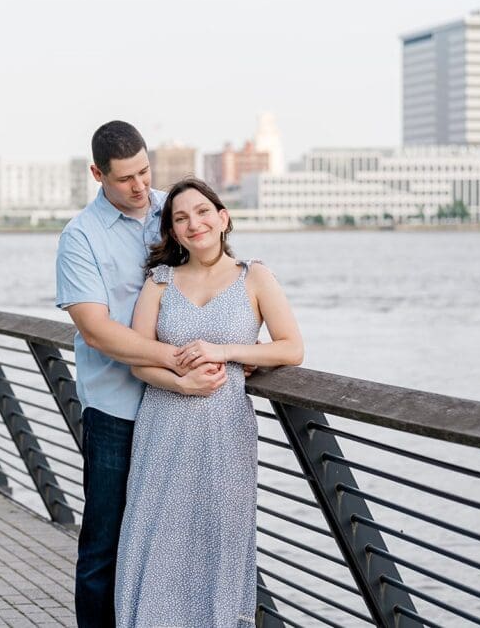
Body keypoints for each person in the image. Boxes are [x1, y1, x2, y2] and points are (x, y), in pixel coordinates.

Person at [56, 121, 228, 627]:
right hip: (118, 411)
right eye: (125, 178)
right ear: (97, 174)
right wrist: (176, 362)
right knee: (105, 544)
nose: (139, 187)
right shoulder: (80, 238)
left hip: (181, 410)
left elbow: (215, 273)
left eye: (145, 171)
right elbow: (96, 331)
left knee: (177, 540)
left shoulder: (174, 212)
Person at [114, 178, 304, 627]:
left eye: (201, 212)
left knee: (218, 545)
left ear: (222, 218)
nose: (192, 223)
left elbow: (291, 348)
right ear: (174, 233)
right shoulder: (160, 281)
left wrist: (227, 351)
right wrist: (180, 383)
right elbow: (138, 361)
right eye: (180, 218)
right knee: (154, 542)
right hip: (163, 428)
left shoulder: (254, 277)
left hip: (224, 435)